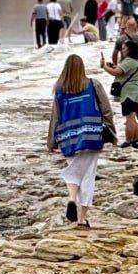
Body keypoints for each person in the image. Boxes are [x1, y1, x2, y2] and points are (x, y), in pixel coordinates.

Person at [47, 55, 115, 227]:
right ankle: (82, 218)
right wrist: (111, 132)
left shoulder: (60, 90)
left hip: (68, 137)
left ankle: (72, 198)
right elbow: (106, 110)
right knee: (88, 175)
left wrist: (51, 141)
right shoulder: (93, 84)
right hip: (92, 135)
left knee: (73, 169)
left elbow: (55, 117)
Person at [100, 40, 138, 147]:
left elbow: (116, 72)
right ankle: (135, 140)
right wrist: (113, 66)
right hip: (136, 92)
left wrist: (104, 66)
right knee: (132, 117)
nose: (122, 50)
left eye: (124, 48)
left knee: (129, 118)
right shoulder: (136, 61)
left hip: (129, 93)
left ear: (129, 50)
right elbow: (121, 70)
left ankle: (128, 141)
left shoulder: (128, 61)